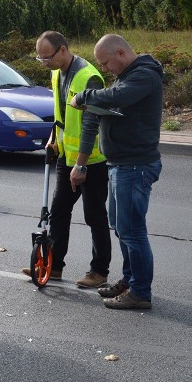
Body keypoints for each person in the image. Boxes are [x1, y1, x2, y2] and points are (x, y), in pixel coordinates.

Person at [71, 34, 163, 310]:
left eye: (106, 63)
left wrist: (85, 95)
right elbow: (113, 100)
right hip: (121, 163)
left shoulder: (143, 75)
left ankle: (140, 292)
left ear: (121, 53)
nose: (105, 69)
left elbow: (118, 96)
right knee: (122, 229)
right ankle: (130, 280)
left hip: (134, 165)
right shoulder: (128, 75)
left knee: (132, 231)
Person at [21, 31, 112, 288]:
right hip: (66, 157)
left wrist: (81, 164)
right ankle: (54, 265)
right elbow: (61, 114)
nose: (44, 63)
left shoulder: (88, 77)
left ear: (63, 50)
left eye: (46, 58)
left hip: (91, 160)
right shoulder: (56, 72)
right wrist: (53, 137)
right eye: (39, 59)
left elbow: (91, 124)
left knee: (95, 216)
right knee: (59, 211)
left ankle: (99, 271)